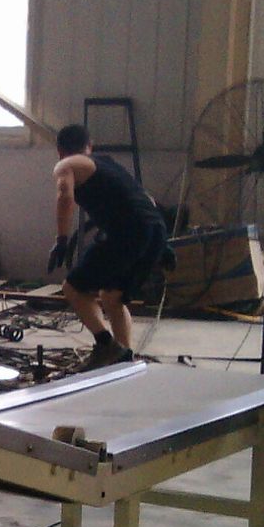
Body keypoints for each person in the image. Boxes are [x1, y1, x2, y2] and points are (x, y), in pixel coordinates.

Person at [48, 123, 168, 368]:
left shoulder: (67, 164)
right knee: (113, 297)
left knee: (73, 288)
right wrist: (160, 245)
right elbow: (147, 199)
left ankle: (106, 345)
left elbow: (64, 195)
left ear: (60, 150)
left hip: (128, 232)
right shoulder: (107, 163)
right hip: (156, 230)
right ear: (89, 146)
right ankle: (123, 360)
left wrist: (61, 239)